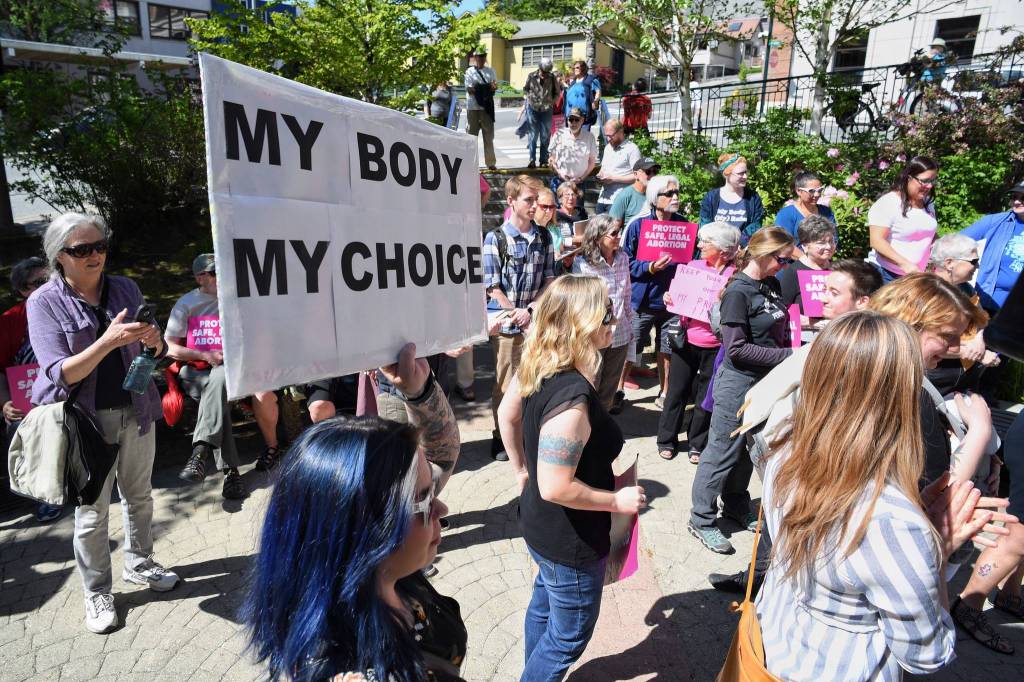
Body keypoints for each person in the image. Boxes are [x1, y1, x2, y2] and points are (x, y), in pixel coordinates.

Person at [755, 310, 1013, 681]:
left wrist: (917, 514)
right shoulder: (893, 523)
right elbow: (928, 655)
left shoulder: (785, 449)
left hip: (775, 649)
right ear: (901, 397)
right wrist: (935, 552)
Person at [243, 343, 467, 681]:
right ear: (366, 531)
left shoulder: (379, 575)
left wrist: (419, 392)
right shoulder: (357, 670)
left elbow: (440, 453)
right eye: (423, 499)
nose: (442, 508)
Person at [27, 212, 179, 633]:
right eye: (82, 249)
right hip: (85, 422)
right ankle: (97, 591)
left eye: (100, 246)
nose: (95, 255)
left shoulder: (125, 287)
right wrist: (106, 342)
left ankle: (140, 562)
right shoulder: (43, 303)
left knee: (140, 496)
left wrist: (155, 341)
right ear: (60, 256)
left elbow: (158, 347)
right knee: (92, 513)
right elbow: (60, 372)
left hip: (137, 407)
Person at [496, 275, 646, 682]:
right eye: (607, 314)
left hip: (543, 527)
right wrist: (617, 501)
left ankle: (531, 669)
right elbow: (556, 486)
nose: (613, 323)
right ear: (584, 323)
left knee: (544, 604)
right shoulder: (573, 400)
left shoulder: (536, 361)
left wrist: (521, 471)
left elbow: (506, 415)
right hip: (571, 540)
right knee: (566, 638)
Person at [688, 226, 795, 555]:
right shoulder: (738, 292)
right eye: (782, 259)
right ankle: (702, 518)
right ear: (763, 255)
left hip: (766, 381)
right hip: (738, 382)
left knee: (750, 451)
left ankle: (735, 504)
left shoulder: (771, 284)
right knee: (721, 450)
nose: (785, 266)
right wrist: (789, 355)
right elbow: (737, 349)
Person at [483, 175, 556, 461]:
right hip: (505, 324)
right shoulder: (496, 238)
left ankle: (527, 431)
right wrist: (515, 312)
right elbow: (492, 286)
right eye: (529, 199)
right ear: (511, 201)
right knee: (504, 382)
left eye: (536, 200)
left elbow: (550, 278)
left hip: (534, 322)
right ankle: (502, 436)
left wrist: (532, 309)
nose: (534, 205)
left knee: (534, 379)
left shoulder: (544, 236)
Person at [163, 253, 245, 499]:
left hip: (228, 368)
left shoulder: (235, 299)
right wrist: (203, 354)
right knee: (216, 393)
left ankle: (200, 451)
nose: (222, 276)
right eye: (214, 272)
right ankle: (230, 474)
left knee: (218, 381)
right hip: (195, 370)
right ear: (200, 278)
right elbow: (168, 347)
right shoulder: (186, 304)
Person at [657, 222, 740, 463]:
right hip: (686, 340)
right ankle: (666, 439)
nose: (700, 245)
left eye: (706, 242)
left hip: (715, 345)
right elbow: (677, 299)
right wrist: (669, 297)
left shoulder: (734, 276)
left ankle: (697, 443)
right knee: (676, 392)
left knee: (706, 396)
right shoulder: (692, 267)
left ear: (723, 250)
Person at [1, 257, 63, 522]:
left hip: (71, 390)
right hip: (29, 399)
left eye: (49, 280)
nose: (45, 287)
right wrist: (5, 403)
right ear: (22, 290)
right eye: (37, 283)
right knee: (21, 428)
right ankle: (45, 495)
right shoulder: (9, 322)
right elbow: (0, 369)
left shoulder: (68, 307)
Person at [623, 174, 687, 405]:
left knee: (667, 348)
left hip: (672, 301)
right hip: (643, 301)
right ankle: (618, 391)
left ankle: (665, 393)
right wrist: (649, 267)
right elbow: (625, 262)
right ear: (654, 198)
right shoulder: (638, 226)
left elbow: (692, 262)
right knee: (632, 348)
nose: (675, 197)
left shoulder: (683, 226)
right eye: (669, 193)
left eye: (677, 192)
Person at [571, 215, 633, 412]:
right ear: (598, 237)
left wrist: (630, 325)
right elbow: (578, 303)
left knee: (609, 387)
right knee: (590, 384)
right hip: (594, 333)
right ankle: (585, 428)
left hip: (620, 332)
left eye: (619, 232)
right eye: (614, 233)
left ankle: (601, 427)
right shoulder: (582, 264)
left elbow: (627, 294)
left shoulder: (623, 258)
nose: (619, 236)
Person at [925, 234, 1000, 395]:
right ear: (949, 263)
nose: (978, 266)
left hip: (966, 372)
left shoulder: (966, 288)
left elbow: (982, 320)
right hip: (936, 376)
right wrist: (978, 354)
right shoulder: (927, 293)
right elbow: (927, 344)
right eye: (973, 261)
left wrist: (979, 340)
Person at [867, 155, 939, 282]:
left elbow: (928, 233)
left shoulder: (928, 203)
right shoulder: (888, 203)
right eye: (925, 181)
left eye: (932, 181)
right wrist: (905, 264)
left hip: (915, 276)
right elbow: (876, 241)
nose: (929, 186)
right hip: (886, 275)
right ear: (908, 178)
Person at [959, 182, 1024, 314]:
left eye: (1023, 198)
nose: (1017, 202)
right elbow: (953, 242)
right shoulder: (996, 221)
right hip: (991, 304)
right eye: (1014, 197)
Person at [698, 153, 765, 244]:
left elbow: (756, 225)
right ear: (727, 174)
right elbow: (705, 227)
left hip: (742, 252)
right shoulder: (711, 197)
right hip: (716, 251)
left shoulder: (753, 198)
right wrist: (720, 246)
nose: (745, 176)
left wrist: (737, 245)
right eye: (740, 173)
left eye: (746, 172)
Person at [777, 214, 837, 312]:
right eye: (821, 243)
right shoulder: (793, 272)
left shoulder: (837, 270)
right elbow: (784, 310)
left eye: (831, 241)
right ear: (805, 245)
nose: (829, 247)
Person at [773, 170, 836, 255]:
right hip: (794, 264)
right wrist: (808, 262)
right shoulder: (786, 214)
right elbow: (783, 244)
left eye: (820, 190)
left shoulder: (826, 212)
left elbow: (834, 239)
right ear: (799, 191)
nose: (817, 194)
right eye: (812, 191)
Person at [594, 119, 641, 215]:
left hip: (619, 199)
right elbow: (603, 169)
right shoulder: (608, 148)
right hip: (603, 198)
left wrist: (614, 179)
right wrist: (599, 176)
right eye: (606, 136)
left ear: (620, 132)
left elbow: (638, 176)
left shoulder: (632, 149)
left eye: (611, 136)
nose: (608, 139)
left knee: (612, 229)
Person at [524, 57, 560, 169]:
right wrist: (528, 99)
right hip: (533, 109)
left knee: (545, 136)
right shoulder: (531, 76)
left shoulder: (552, 77)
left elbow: (557, 93)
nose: (545, 74)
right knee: (533, 135)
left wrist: (551, 103)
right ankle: (532, 160)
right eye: (544, 71)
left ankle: (543, 160)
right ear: (539, 68)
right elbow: (525, 89)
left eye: (547, 72)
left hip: (546, 110)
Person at [464, 48, 497, 170]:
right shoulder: (469, 72)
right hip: (472, 108)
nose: (481, 58)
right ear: (475, 58)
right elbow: (469, 89)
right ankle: (469, 163)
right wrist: (486, 88)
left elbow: (494, 87)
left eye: (483, 56)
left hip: (486, 108)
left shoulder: (491, 71)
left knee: (488, 136)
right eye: (479, 56)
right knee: (471, 137)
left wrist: (480, 88)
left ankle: (491, 162)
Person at [549, 107, 597, 189]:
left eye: (577, 120)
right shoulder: (558, 134)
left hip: (579, 184)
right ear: (567, 121)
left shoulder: (590, 137)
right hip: (560, 182)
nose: (573, 123)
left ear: (582, 120)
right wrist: (560, 174)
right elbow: (551, 159)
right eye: (571, 119)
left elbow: (592, 163)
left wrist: (581, 178)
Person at [609, 157, 658, 228]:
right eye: (648, 171)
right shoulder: (625, 195)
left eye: (655, 172)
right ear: (636, 174)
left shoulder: (658, 195)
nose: (652, 175)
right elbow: (613, 226)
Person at [564, 60, 601, 129]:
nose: (575, 69)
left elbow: (598, 91)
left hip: (584, 117)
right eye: (574, 68)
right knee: (573, 138)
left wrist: (595, 101)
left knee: (584, 137)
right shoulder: (573, 83)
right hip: (571, 117)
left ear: (583, 68)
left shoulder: (590, 80)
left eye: (577, 67)